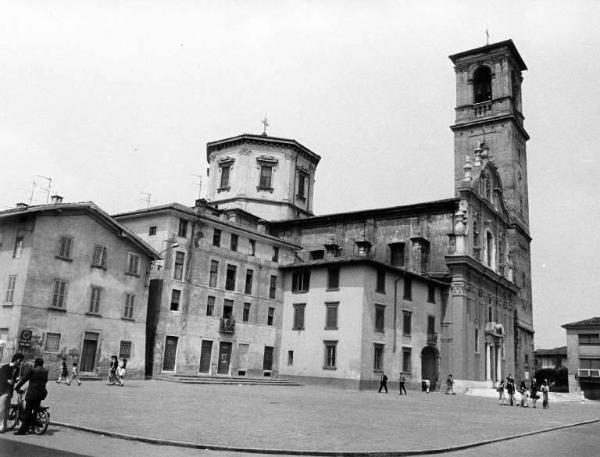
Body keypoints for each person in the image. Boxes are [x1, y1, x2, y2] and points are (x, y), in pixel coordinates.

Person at [14, 357, 48, 435]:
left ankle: (22, 431)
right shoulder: (45, 371)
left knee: (27, 412)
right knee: (35, 410)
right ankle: (32, 425)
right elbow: (45, 381)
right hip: (41, 393)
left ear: (36, 363)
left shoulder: (33, 370)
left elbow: (24, 379)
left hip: (32, 394)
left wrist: (17, 387)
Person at [0, 353, 24, 433]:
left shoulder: (17, 369)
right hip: (2, 390)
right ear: (16, 359)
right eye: (19, 360)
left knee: (6, 409)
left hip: (9, 391)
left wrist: (16, 380)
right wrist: (7, 381)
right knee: (2, 409)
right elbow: (2, 378)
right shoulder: (5, 367)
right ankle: (2, 426)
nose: (20, 362)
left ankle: (3, 426)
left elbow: (12, 379)